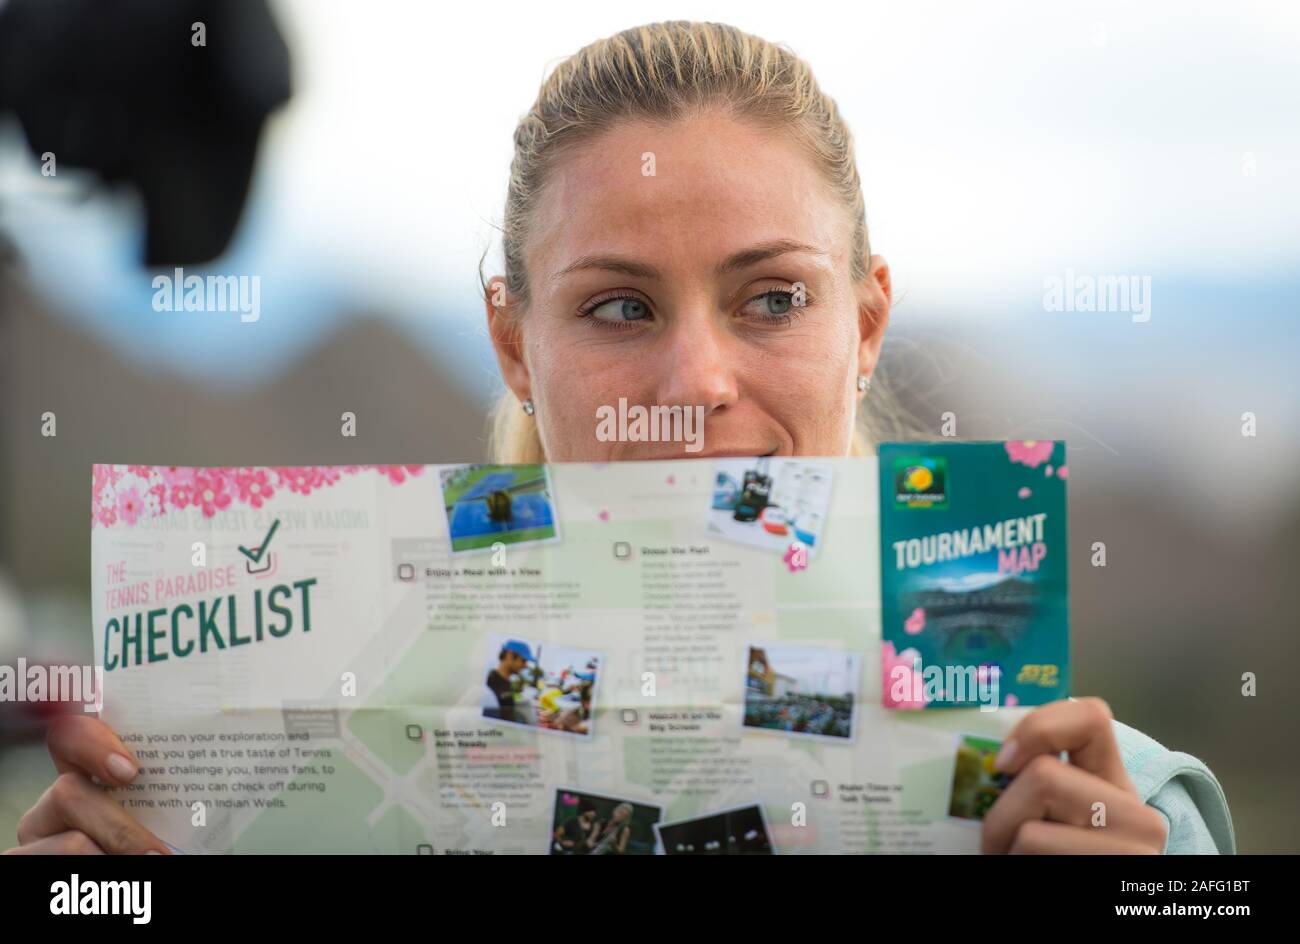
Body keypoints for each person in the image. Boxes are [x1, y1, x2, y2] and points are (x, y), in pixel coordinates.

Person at [5, 20, 1232, 856]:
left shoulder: (1113, 809)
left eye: (771, 298)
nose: (696, 379)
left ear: (863, 326)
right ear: (513, 345)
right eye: (619, 306)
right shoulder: (270, 773)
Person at [482, 640, 534, 724]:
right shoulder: (489, 683)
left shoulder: (506, 682)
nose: (526, 665)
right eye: (523, 660)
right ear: (509, 655)